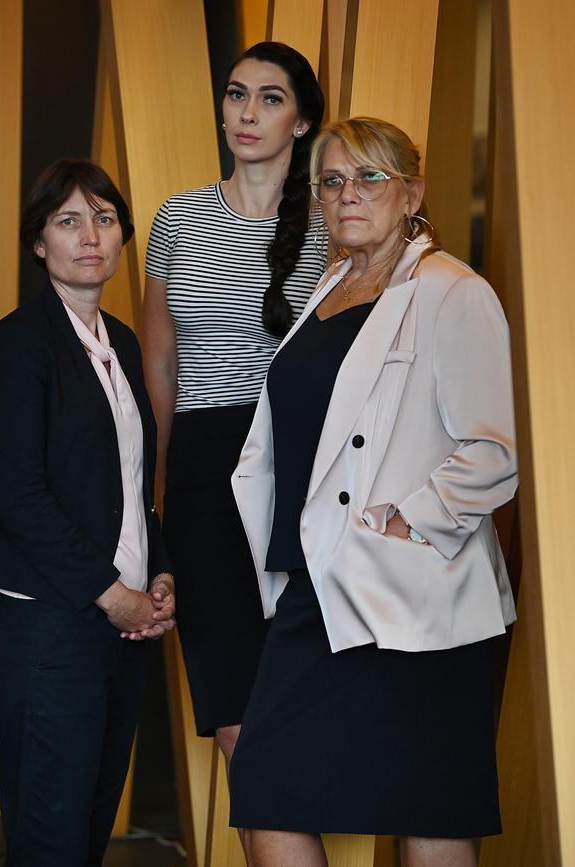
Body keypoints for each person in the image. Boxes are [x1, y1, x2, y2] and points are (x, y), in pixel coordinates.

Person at [228, 117, 517, 867]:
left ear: (413, 192)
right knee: (267, 786)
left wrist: (407, 521)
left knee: (425, 800)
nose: (347, 193)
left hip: (411, 592)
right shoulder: (327, 288)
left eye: (369, 177)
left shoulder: (452, 291)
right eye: (332, 180)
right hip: (315, 581)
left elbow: (495, 450)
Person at [0, 159, 175, 866]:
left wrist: (157, 573)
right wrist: (110, 593)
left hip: (112, 631)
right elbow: (21, 495)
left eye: (104, 218)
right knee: (50, 846)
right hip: (45, 633)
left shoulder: (120, 342)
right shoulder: (21, 344)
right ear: (39, 243)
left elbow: (130, 482)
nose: (89, 235)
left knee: (85, 839)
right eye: (67, 220)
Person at [141, 41, 326, 765]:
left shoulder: (330, 226)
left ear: (303, 121)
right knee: (232, 710)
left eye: (270, 98)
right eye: (236, 94)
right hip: (200, 463)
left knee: (301, 694)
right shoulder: (177, 218)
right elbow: (160, 364)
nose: (246, 114)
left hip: (298, 463)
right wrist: (148, 489)